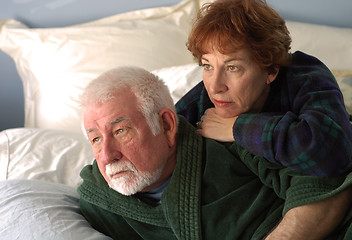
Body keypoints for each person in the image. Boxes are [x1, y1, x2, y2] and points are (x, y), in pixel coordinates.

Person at [78, 66, 352, 240]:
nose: (106, 155)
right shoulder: (98, 202)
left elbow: (326, 181)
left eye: (121, 131)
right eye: (96, 138)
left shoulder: (233, 136)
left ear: (165, 124)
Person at [176, 0, 352, 176]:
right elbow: (160, 140)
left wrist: (236, 128)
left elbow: (333, 154)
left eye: (232, 67)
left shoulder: (307, 77)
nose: (215, 87)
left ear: (271, 70)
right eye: (207, 66)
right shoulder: (202, 98)